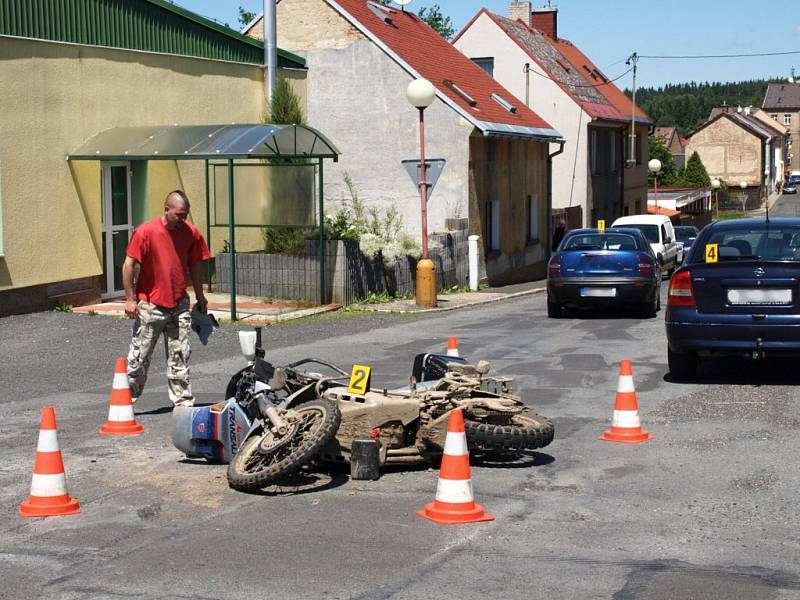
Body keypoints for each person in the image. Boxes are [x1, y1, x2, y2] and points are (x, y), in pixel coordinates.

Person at [122, 190, 210, 407]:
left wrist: (200, 296)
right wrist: (130, 299)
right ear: (166, 209)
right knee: (140, 357)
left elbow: (196, 265)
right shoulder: (146, 232)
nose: (183, 220)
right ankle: (124, 401)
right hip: (151, 305)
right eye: (179, 215)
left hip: (179, 304)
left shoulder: (191, 233)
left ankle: (182, 402)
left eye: (185, 215)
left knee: (180, 354)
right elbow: (128, 265)